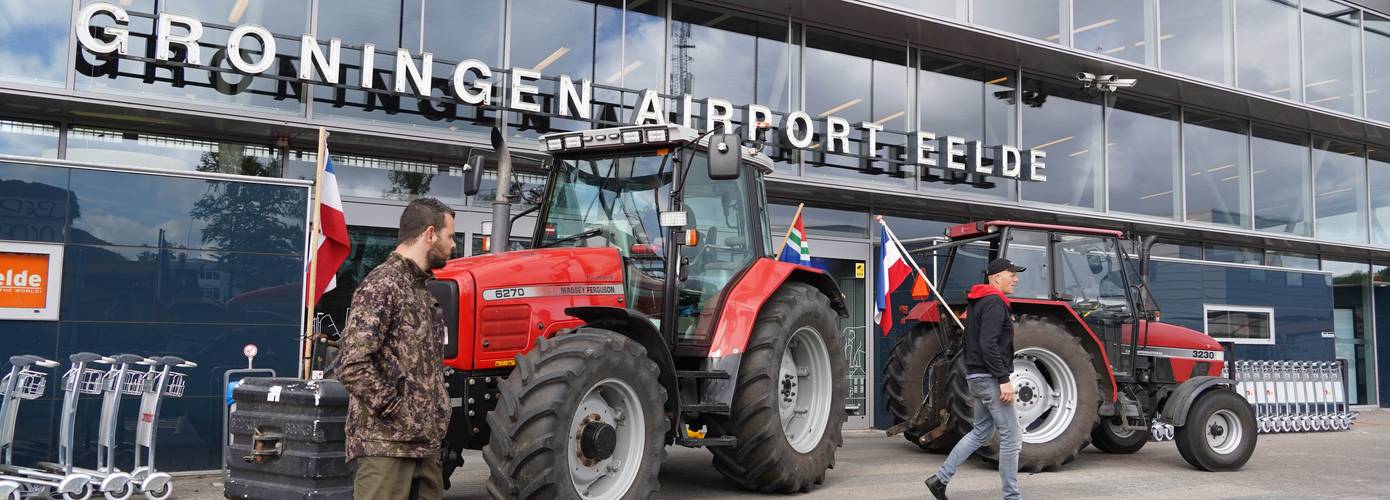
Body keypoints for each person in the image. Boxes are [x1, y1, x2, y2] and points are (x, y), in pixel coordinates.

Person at [337, 197, 457, 500]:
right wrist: (397, 410)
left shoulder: (421, 292)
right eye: (450, 236)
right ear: (430, 234)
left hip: (424, 447)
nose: (453, 245)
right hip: (386, 447)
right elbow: (352, 364)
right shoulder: (382, 285)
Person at [927, 258, 1026, 500]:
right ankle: (1012, 497)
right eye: (1011, 274)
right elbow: (988, 343)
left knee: (981, 432)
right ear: (995, 277)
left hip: (977, 376)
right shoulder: (993, 302)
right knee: (1012, 437)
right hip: (990, 378)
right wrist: (1003, 379)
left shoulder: (980, 301)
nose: (1016, 278)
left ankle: (940, 479)